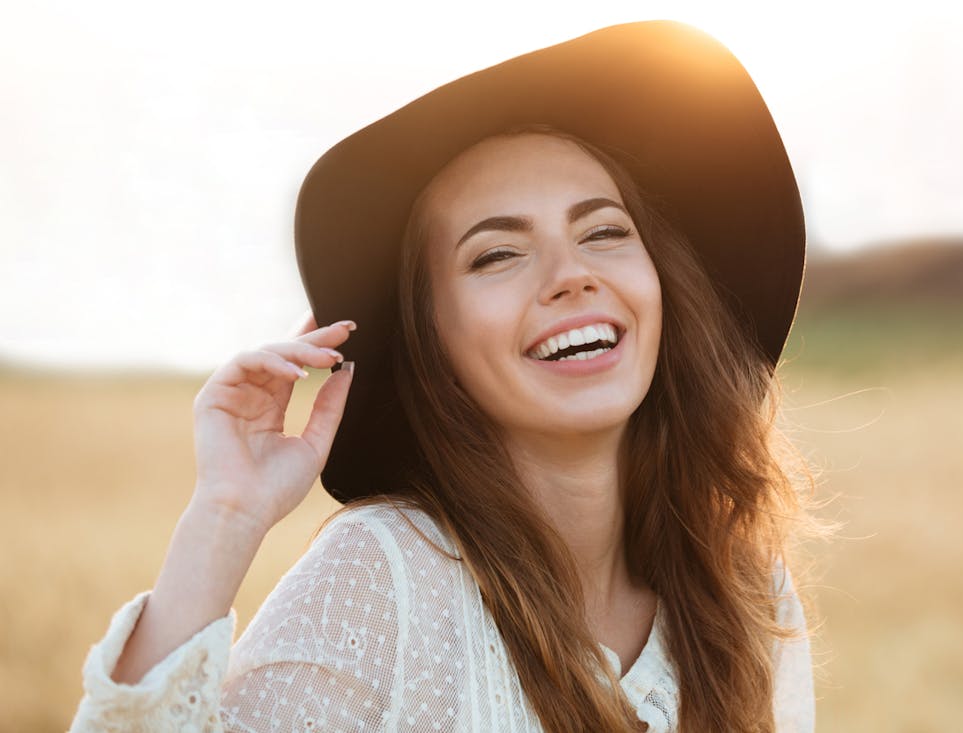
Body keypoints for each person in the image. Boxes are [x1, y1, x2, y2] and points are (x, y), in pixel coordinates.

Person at [69, 20, 816, 732]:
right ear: (431, 340)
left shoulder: (739, 583)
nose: (572, 275)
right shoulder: (386, 576)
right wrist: (226, 512)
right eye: (497, 254)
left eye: (604, 232)